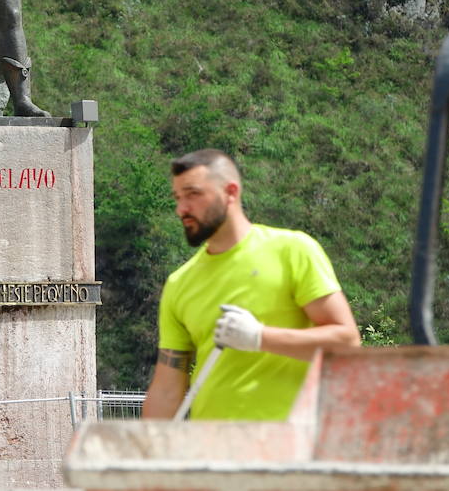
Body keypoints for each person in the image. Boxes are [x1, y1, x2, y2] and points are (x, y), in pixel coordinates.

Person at [141, 150, 360, 421]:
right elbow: (166, 388)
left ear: (231, 192)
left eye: (193, 194)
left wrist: (259, 337)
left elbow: (347, 343)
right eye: (177, 198)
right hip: (214, 452)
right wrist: (147, 449)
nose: (181, 209)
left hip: (289, 449)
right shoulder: (179, 283)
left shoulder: (292, 250)